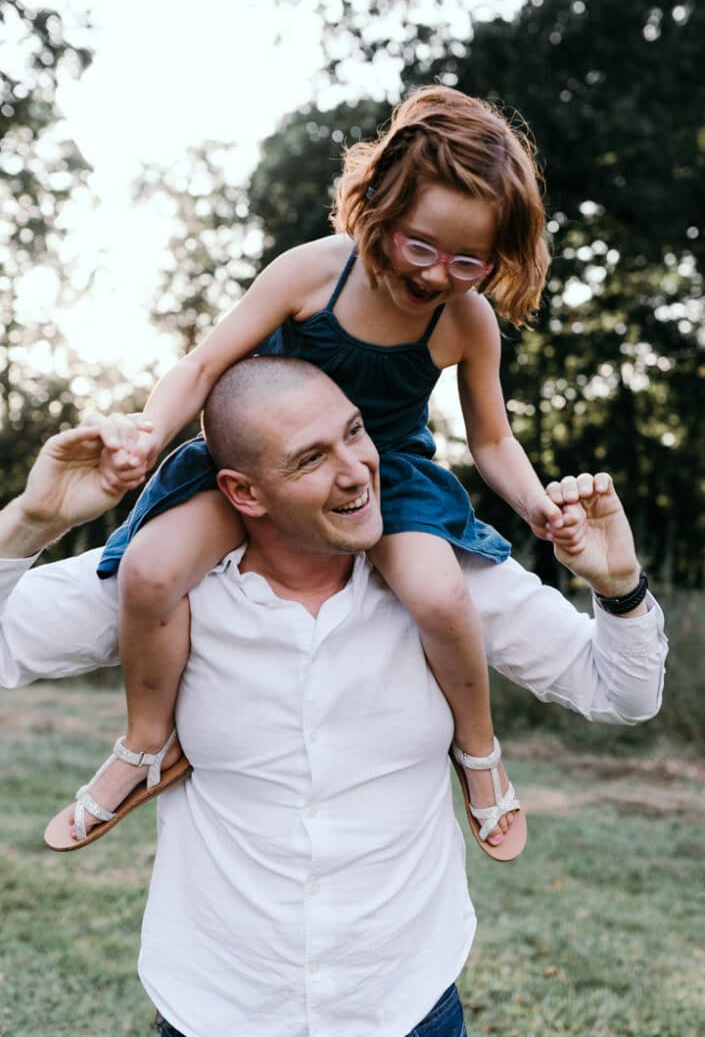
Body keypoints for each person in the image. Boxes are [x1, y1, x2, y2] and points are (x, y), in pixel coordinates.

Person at [0, 359, 666, 1037]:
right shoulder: (164, 585)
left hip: (406, 1006)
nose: (355, 470)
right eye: (310, 459)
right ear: (244, 491)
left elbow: (622, 695)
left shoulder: (454, 582)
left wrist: (618, 587)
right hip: (215, 1008)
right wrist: (30, 520)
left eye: (353, 432)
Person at [52, 85, 571, 855]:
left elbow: (490, 439)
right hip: (264, 468)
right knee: (151, 572)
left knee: (438, 592)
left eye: (468, 260)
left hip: (383, 473)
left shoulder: (466, 319)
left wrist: (533, 503)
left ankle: (479, 751)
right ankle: (147, 742)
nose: (436, 274)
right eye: (420, 247)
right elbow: (203, 364)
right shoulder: (311, 273)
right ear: (384, 209)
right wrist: (148, 431)